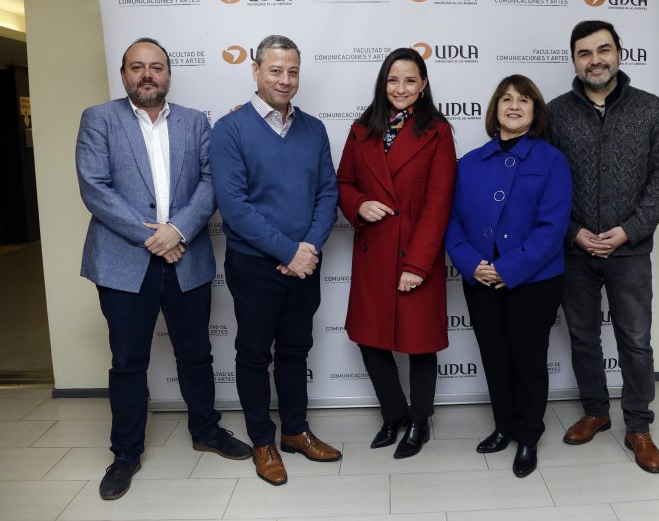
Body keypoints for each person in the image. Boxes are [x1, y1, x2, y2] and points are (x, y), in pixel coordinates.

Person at [76, 38, 251, 501]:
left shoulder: (196, 122)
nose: (147, 75)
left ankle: (206, 430)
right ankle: (126, 453)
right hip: (122, 262)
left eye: (156, 67)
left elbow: (213, 183)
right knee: (129, 361)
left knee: (196, 353)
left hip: (186, 257)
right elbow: (94, 187)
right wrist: (154, 236)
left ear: (169, 74)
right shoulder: (99, 119)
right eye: (138, 67)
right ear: (124, 73)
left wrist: (178, 230)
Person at [209, 35, 340, 486]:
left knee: (295, 350)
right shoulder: (230, 130)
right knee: (252, 354)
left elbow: (328, 193)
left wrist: (308, 248)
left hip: (305, 262)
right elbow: (234, 205)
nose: (285, 80)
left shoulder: (314, 129)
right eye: (275, 70)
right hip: (255, 266)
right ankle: (262, 440)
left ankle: (296, 432)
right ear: (255, 71)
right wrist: (289, 252)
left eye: (292, 71)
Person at [547, 20, 659, 473]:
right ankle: (597, 412)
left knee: (635, 342)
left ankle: (638, 425)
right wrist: (573, 232)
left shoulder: (650, 109)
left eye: (603, 49)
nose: (595, 59)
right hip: (575, 249)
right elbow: (541, 186)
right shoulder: (556, 113)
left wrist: (629, 230)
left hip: (630, 250)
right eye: (585, 52)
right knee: (583, 338)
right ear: (574, 60)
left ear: (619, 53)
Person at [445, 75, 572, 477]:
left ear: (535, 112)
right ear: (495, 108)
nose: (514, 106)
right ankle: (503, 426)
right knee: (495, 358)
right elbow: (451, 222)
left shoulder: (551, 161)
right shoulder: (469, 162)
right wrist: (470, 263)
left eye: (524, 100)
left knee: (529, 359)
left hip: (533, 280)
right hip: (481, 279)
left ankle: (529, 435)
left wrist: (508, 267)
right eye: (506, 99)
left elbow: (552, 228)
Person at [337, 48, 456, 459]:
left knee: (420, 344)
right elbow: (344, 183)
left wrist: (417, 265)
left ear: (423, 85)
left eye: (409, 80)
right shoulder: (361, 130)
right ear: (382, 84)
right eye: (393, 80)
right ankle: (393, 414)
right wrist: (358, 205)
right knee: (371, 339)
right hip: (373, 251)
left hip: (415, 254)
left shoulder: (438, 131)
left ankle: (420, 421)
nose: (400, 88)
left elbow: (439, 203)